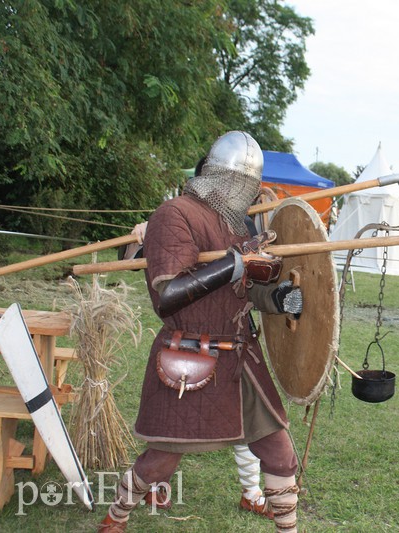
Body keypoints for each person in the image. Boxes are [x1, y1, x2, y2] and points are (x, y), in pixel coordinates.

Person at [99, 131, 303, 532]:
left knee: (279, 453)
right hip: (191, 354)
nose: (243, 193)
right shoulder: (173, 214)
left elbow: (245, 291)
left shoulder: (238, 225)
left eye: (248, 186)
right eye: (238, 183)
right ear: (215, 176)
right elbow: (169, 294)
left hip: (241, 359)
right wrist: (233, 264)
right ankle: (116, 516)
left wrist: (278, 300)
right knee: (160, 462)